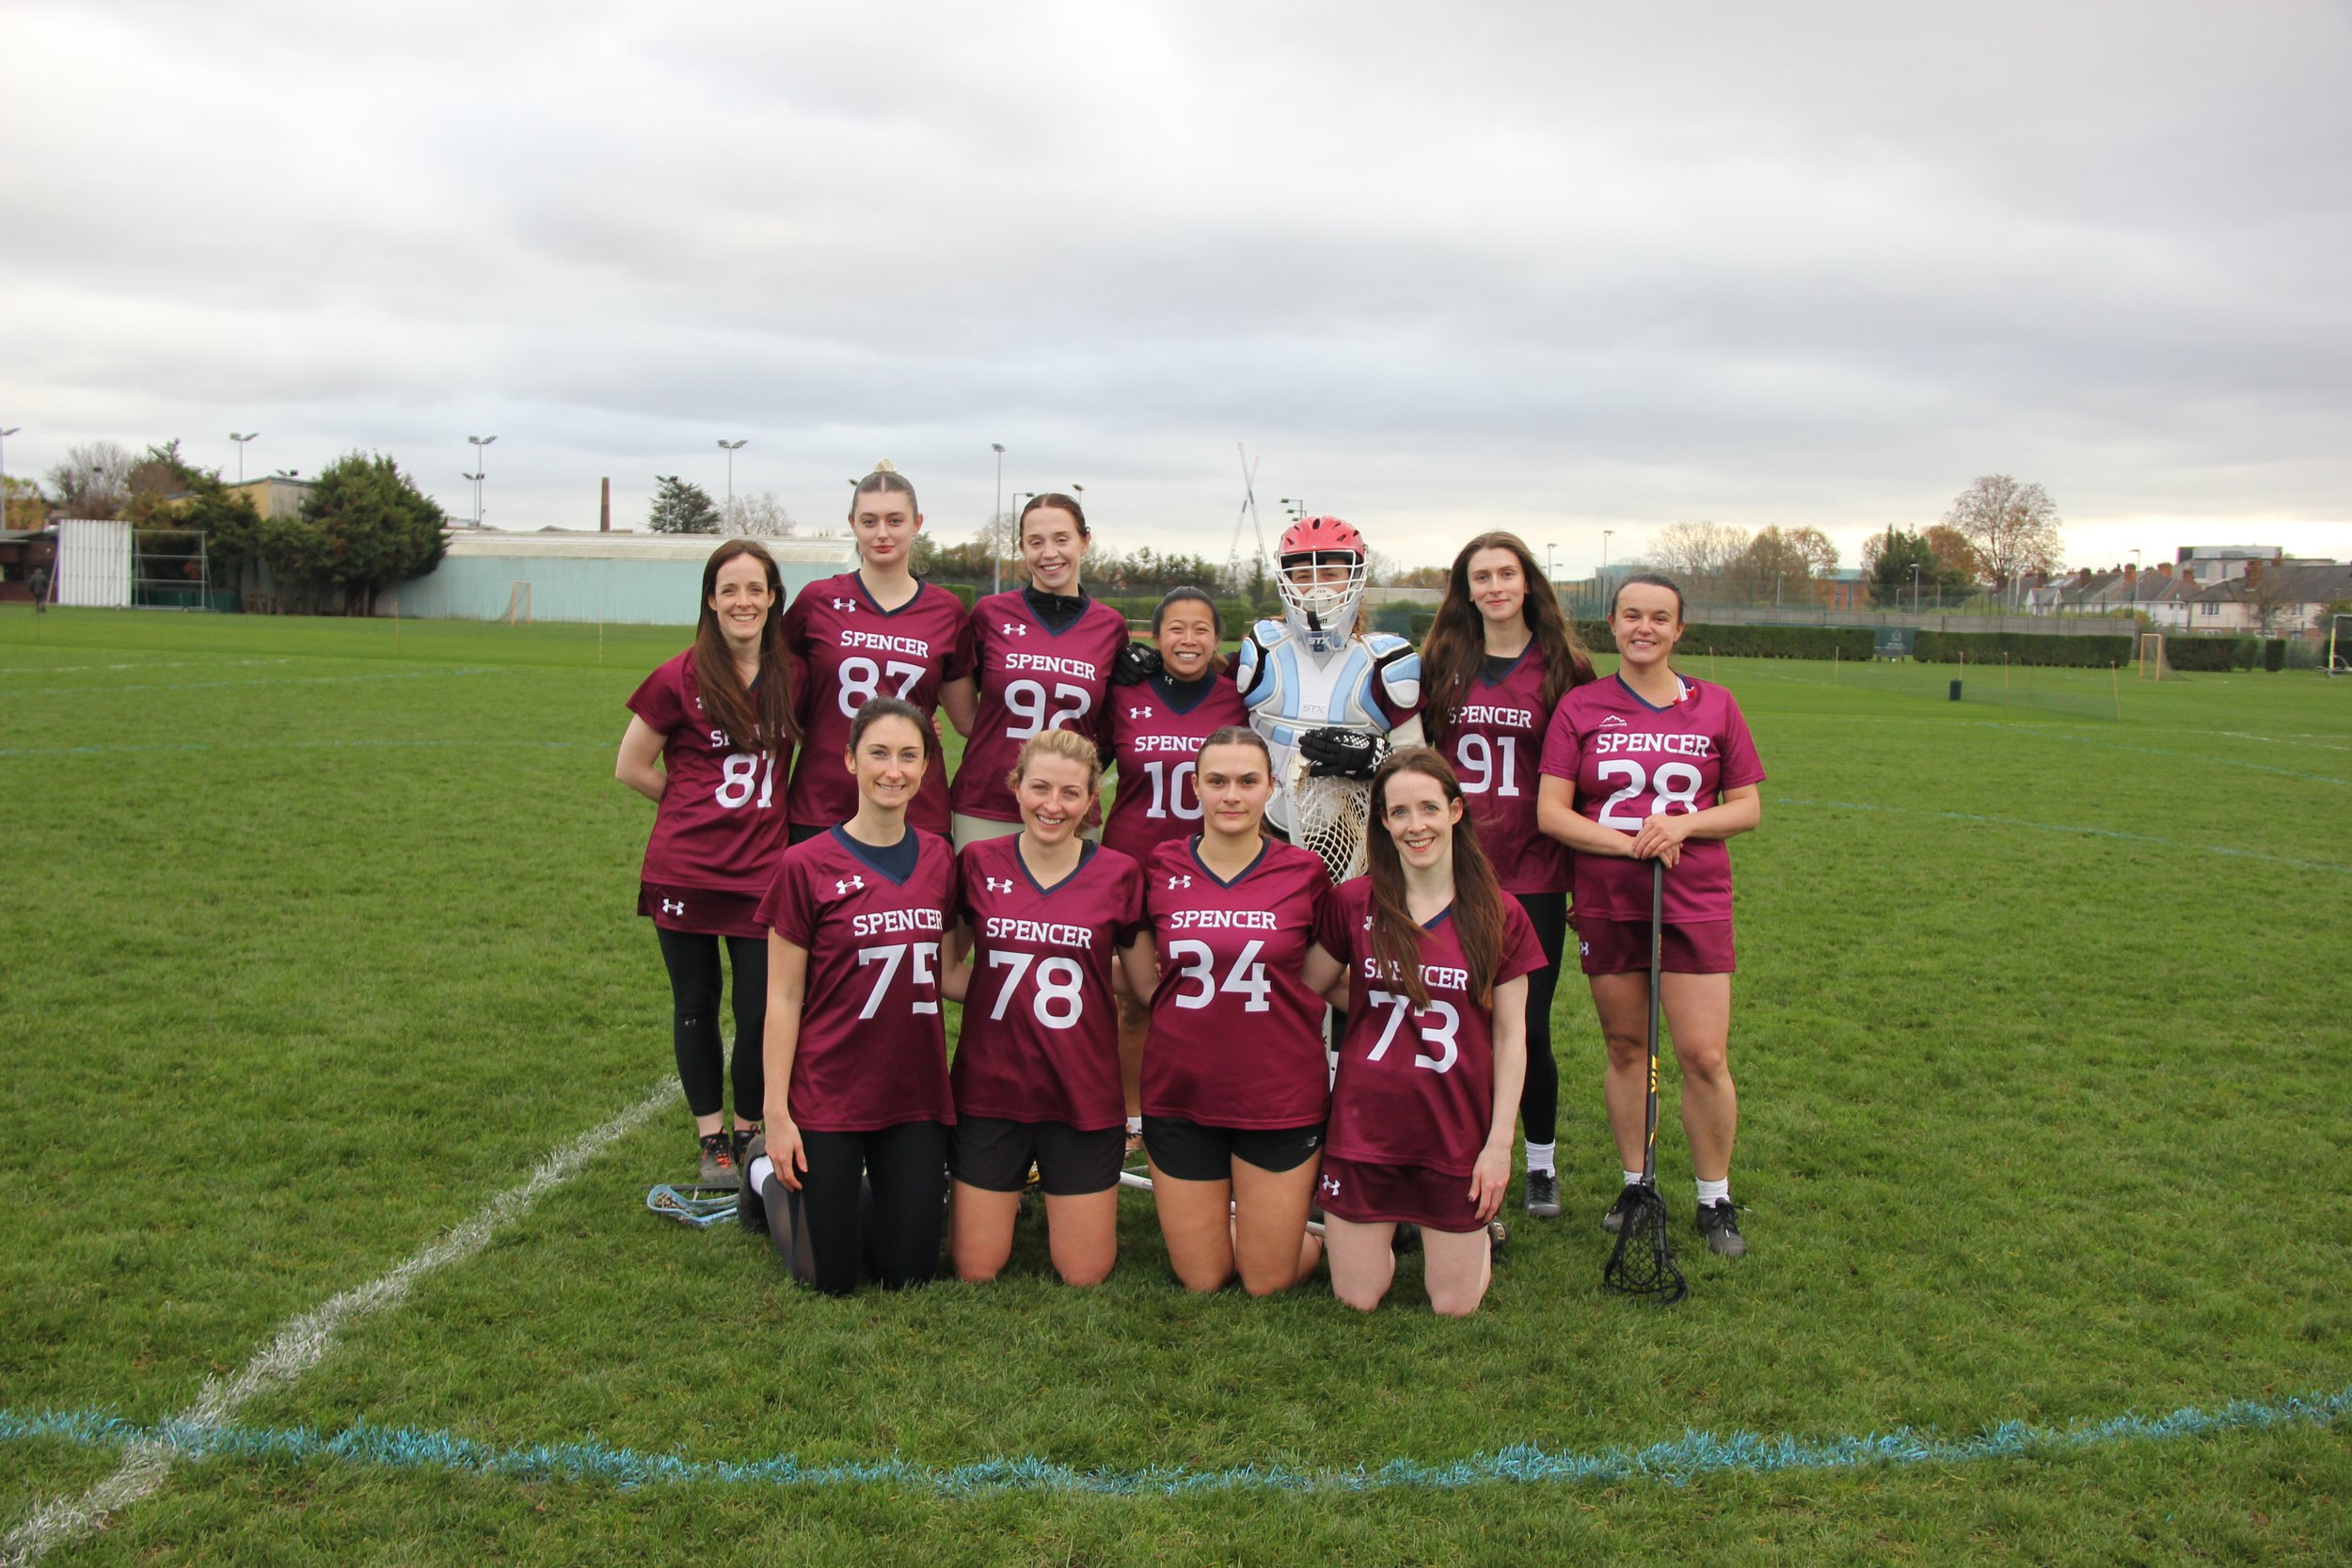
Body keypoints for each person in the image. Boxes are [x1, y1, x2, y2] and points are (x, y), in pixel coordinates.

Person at [1535, 573, 1763, 1257]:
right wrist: (1634, 840)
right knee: (1627, 1047)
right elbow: (1552, 812)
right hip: (1609, 897)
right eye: (1632, 615)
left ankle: (1712, 1196)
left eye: (1659, 617)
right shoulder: (1581, 706)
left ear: (1678, 629)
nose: (1645, 627)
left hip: (1693, 898)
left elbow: (1747, 807)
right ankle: (1637, 1184)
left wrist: (1682, 825)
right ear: (1612, 622)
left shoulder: (1716, 705)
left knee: (1702, 1052)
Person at [1304, 748, 1541, 1316]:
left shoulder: (1498, 914)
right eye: (1400, 812)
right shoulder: (1355, 901)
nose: (1416, 826)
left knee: (1453, 1306)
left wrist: (1499, 1147)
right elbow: (1313, 983)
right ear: (1383, 821)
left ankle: (1468, 1237)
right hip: (1366, 1125)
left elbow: (1512, 1036)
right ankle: (1382, 1232)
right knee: (1358, 1297)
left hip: (1453, 1128)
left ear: (1455, 811)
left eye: (1429, 808)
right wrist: (1381, 999)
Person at [741, 698, 957, 1293]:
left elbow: (948, 967)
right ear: (849, 761)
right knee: (828, 1279)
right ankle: (763, 1177)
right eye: (879, 754)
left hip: (913, 1093)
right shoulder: (805, 864)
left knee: (908, 1274)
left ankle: (847, 1194)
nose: (894, 770)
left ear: (926, 767)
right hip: (830, 1092)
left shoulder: (941, 858)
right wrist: (777, 1114)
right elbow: (782, 999)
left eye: (909, 756)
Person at [1115, 727, 1331, 1294]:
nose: (1231, 795)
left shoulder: (1306, 874)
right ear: (1195, 788)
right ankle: (1251, 1222)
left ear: (1271, 788)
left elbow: (1325, 978)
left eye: (1246, 781)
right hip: (1181, 1094)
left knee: (1265, 1281)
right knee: (1204, 1279)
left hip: (1278, 1096)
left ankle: (1326, 1235)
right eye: (1217, 781)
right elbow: (1141, 984)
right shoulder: (1158, 867)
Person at [1420, 532, 1597, 1217]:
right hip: (1451, 867)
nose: (1493, 586)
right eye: (1480, 575)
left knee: (1528, 1027)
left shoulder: (1565, 667)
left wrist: (1582, 880)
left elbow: (1583, 784)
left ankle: (1541, 1162)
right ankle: (1456, 1150)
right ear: (1466, 588)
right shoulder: (1442, 660)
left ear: (1528, 583)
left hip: (1535, 872)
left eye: (1506, 573)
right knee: (1455, 1017)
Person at [614, 539, 797, 1184]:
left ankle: (749, 1125)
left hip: (760, 873)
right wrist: (687, 804)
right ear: (712, 600)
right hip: (685, 869)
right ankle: (711, 1136)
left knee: (756, 1009)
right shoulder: (679, 675)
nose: (743, 600)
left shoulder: (791, 674)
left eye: (755, 588)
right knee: (695, 1002)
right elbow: (629, 766)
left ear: (773, 596)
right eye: (730, 590)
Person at [940, 728, 1147, 1286]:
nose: (1053, 806)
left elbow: (1145, 984)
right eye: (1040, 788)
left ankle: (1033, 1188)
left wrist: (1077, 972)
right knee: (976, 1268)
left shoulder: (1119, 873)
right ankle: (1008, 1190)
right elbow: (945, 969)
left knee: (1084, 1272)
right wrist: (1008, 985)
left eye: (1070, 794)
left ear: (1090, 801)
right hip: (991, 1088)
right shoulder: (978, 862)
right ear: (1016, 787)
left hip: (1082, 1091)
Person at [1102, 588, 1249, 1144]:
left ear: (1217, 639)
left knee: (1214, 989)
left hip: (1212, 866)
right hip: (1134, 860)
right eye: (1176, 629)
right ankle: (1132, 1115)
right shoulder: (1126, 692)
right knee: (1137, 999)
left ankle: (1209, 1099)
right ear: (1155, 635)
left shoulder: (1238, 697)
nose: (1188, 640)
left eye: (1200, 629)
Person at [777, 462, 972, 843]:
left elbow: (968, 720)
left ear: (917, 523)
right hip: (824, 802)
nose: (882, 533)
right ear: (852, 523)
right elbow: (777, 690)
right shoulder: (818, 600)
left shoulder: (946, 611)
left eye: (895, 521)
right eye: (869, 521)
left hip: (916, 807)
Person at [1232, 515, 1422, 885]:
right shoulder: (1263, 648)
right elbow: (1204, 691)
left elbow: (1418, 764)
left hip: (1353, 837)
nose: (1317, 586)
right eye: (1303, 576)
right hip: (1260, 829)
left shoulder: (1386, 661)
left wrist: (1376, 757)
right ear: (1286, 582)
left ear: (1356, 577)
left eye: (1331, 573)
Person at [942, 493, 1129, 849]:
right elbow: (965, 715)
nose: (1049, 553)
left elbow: (1110, 730)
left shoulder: (1110, 627)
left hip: (1069, 809)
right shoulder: (990, 614)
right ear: (1022, 547)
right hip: (988, 805)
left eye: (1062, 539)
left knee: (1071, 907)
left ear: (1085, 542)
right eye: (1036, 542)